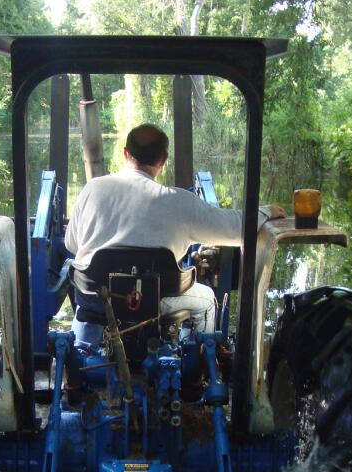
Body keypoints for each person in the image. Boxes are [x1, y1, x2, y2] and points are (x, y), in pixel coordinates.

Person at [64, 123, 285, 346]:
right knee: (207, 299)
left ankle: (81, 355)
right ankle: (194, 370)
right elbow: (237, 230)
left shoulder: (91, 189)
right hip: (155, 300)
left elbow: (72, 245)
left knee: (87, 296)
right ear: (163, 160)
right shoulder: (179, 202)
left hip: (96, 297)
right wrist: (265, 212)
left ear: (125, 153)